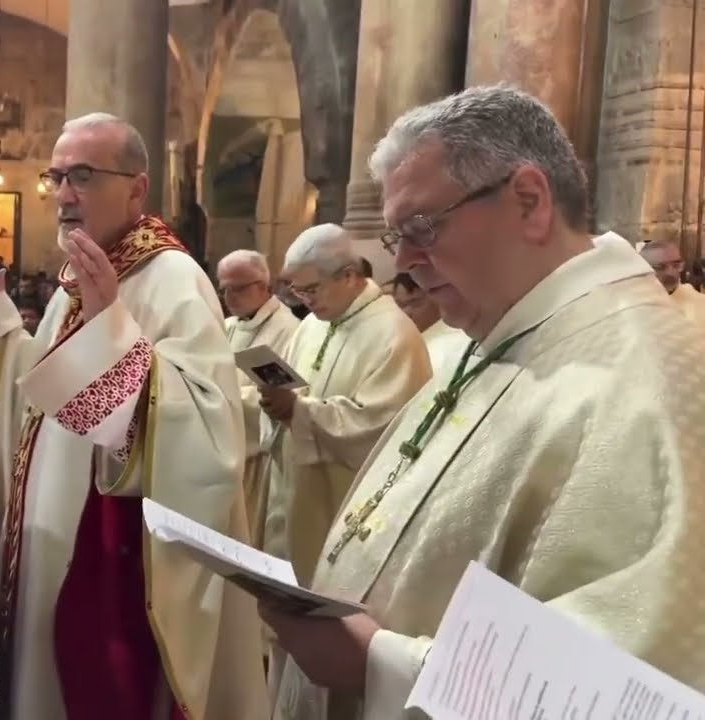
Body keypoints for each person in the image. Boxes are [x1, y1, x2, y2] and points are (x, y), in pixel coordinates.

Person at [265, 85, 705, 720]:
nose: (408, 264)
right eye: (397, 239)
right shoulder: (502, 333)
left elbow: (632, 684)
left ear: (529, 201)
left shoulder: (647, 388)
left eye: (422, 227)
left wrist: (381, 667)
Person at [0, 112, 267, 720]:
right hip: (50, 527)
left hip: (117, 552)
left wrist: (112, 331)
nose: (62, 195)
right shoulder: (77, 279)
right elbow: (42, 397)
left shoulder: (175, 279)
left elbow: (210, 435)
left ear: (137, 187)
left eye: (82, 175)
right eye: (56, 176)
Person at [262, 225, 430, 583]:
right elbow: (291, 388)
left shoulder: (393, 334)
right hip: (296, 491)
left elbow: (382, 426)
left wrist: (298, 411)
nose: (303, 299)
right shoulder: (312, 326)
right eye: (296, 290)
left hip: (343, 505)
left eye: (310, 289)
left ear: (349, 276)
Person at [216, 249, 299, 548]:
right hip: (223, 449)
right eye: (223, 288)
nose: (229, 297)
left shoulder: (288, 330)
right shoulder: (225, 327)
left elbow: (282, 394)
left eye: (237, 288)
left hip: (256, 459)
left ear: (265, 286)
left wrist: (220, 400)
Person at [387, 271, 465, 369]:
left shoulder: (459, 338)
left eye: (415, 302)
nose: (407, 312)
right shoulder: (406, 347)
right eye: (401, 305)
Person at [639, 240, 705, 323]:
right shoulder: (631, 305)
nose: (671, 272)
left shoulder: (700, 302)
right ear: (642, 269)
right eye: (660, 267)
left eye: (676, 265)